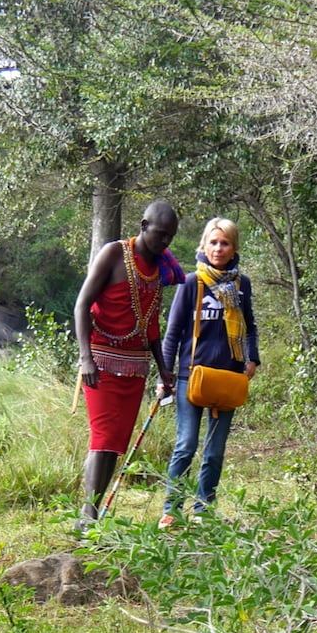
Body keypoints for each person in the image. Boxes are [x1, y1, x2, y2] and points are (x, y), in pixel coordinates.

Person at [73, 200, 183, 527]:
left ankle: (92, 515)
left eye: (170, 238)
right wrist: (85, 359)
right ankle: (88, 518)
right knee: (103, 438)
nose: (165, 242)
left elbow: (150, 323)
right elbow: (82, 306)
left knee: (115, 445)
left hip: (135, 367)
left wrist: (163, 367)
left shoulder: (161, 267)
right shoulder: (113, 253)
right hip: (101, 361)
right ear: (143, 225)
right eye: (160, 234)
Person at [157, 217, 260, 527]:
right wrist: (165, 376)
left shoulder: (242, 286)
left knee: (214, 450)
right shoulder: (192, 283)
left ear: (233, 248)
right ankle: (171, 510)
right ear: (203, 246)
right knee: (186, 444)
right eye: (213, 242)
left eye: (225, 243)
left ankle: (204, 510)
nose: (218, 248)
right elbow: (173, 332)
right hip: (191, 377)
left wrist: (252, 358)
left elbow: (250, 326)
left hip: (227, 378)